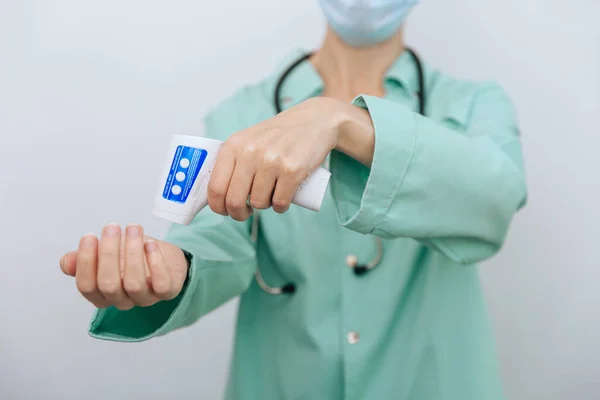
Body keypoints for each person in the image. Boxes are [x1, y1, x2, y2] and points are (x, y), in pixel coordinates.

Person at [59, 0, 527, 398]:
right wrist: (176, 268)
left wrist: (344, 122)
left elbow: (496, 195)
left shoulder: (472, 105)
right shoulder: (244, 113)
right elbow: (216, 241)